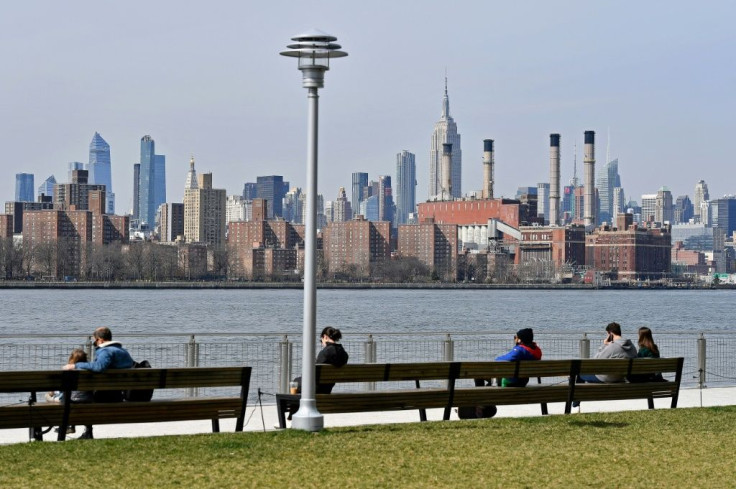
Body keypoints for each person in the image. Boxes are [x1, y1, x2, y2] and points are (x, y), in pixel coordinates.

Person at [63, 327, 135, 439]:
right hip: (119, 395)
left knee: (81, 396)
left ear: (100, 340)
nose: (94, 343)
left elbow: (99, 367)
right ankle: (86, 431)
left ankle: (71, 426)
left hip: (104, 397)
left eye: (95, 340)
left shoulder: (106, 351)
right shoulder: (123, 352)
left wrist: (75, 365)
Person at [461, 328, 542, 419]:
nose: (514, 339)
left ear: (520, 339)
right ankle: (485, 405)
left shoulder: (520, 350)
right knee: (489, 383)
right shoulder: (536, 351)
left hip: (511, 381)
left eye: (516, 337)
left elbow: (503, 360)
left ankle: (481, 403)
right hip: (522, 381)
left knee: (478, 375)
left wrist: (499, 358)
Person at [285, 327, 348, 423]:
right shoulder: (344, 354)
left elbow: (312, 374)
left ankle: (293, 416)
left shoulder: (325, 352)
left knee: (295, 382)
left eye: (321, 340)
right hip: (328, 388)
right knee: (298, 382)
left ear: (325, 337)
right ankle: (293, 416)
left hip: (317, 388)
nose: (322, 343)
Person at [573, 322, 637, 407]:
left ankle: (575, 405)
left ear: (610, 334)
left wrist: (604, 345)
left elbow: (596, 360)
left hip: (606, 377)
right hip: (621, 377)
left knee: (580, 374)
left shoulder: (613, 347)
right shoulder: (632, 346)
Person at [46, 348, 94, 435]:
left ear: (71, 358)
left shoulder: (68, 370)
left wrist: (51, 393)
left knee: (48, 395)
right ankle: (86, 430)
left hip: (70, 401)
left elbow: (60, 387)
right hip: (88, 400)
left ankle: (66, 425)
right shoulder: (91, 371)